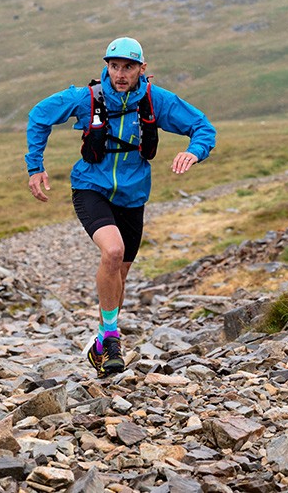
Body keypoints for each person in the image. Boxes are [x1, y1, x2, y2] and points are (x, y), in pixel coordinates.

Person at [24, 37, 216, 377]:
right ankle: (113, 339)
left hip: (133, 196)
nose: (120, 73)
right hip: (90, 187)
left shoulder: (156, 100)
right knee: (112, 252)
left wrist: (194, 151)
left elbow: (202, 127)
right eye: (114, 66)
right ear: (107, 67)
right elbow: (39, 115)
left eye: (128, 66)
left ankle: (101, 345)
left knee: (119, 278)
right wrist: (35, 165)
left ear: (142, 68)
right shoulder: (88, 98)